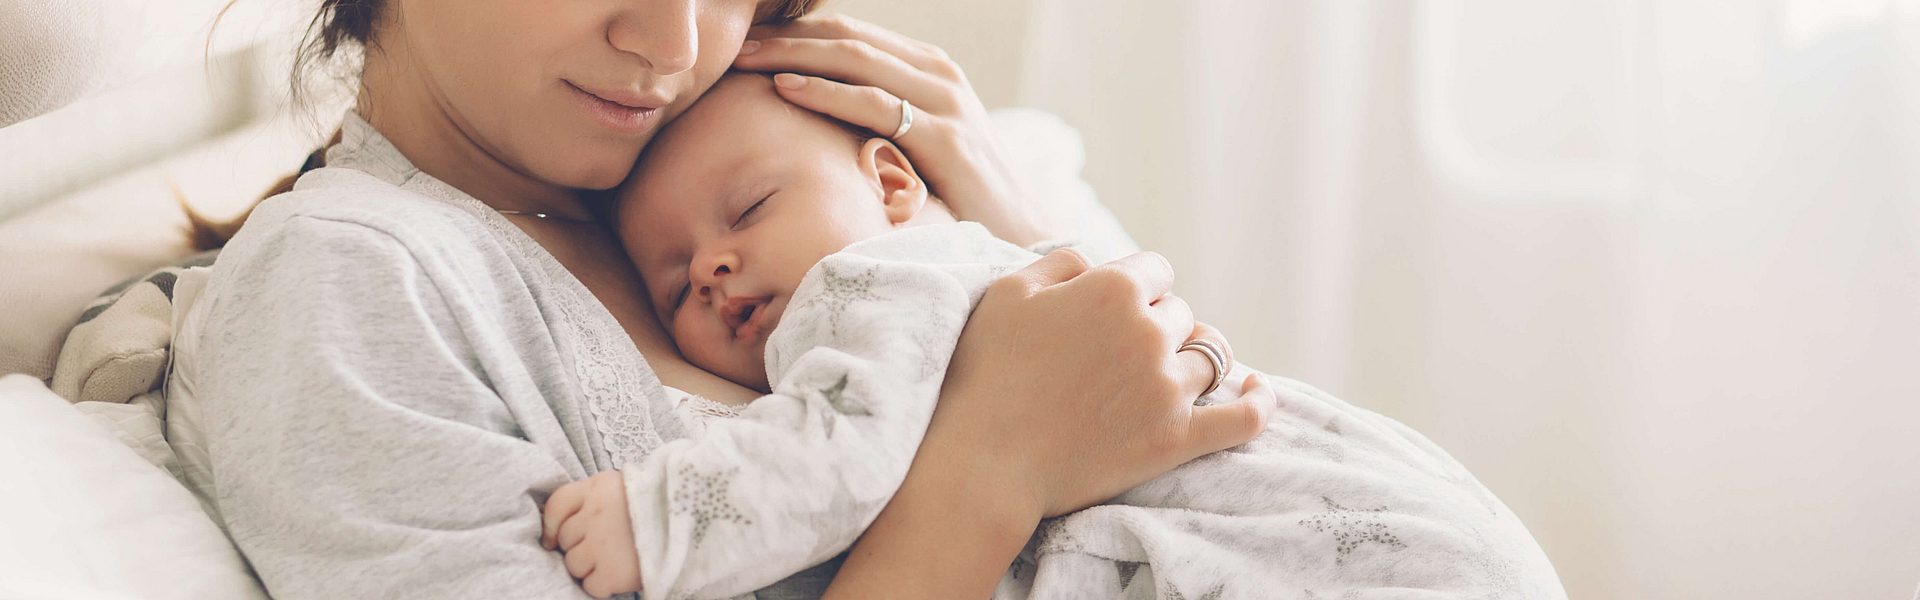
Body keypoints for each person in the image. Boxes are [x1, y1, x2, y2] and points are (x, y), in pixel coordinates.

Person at [165, 1, 1276, 599]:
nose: (673, 42)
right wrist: (989, 469)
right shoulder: (350, 282)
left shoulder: (753, 154)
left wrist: (1004, 229)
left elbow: (1201, 444)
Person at [541, 71, 1567, 600]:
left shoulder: (872, 286)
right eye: (673, 281)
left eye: (749, 207)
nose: (712, 268)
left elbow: (833, 455)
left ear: (893, 183)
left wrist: (655, 517)